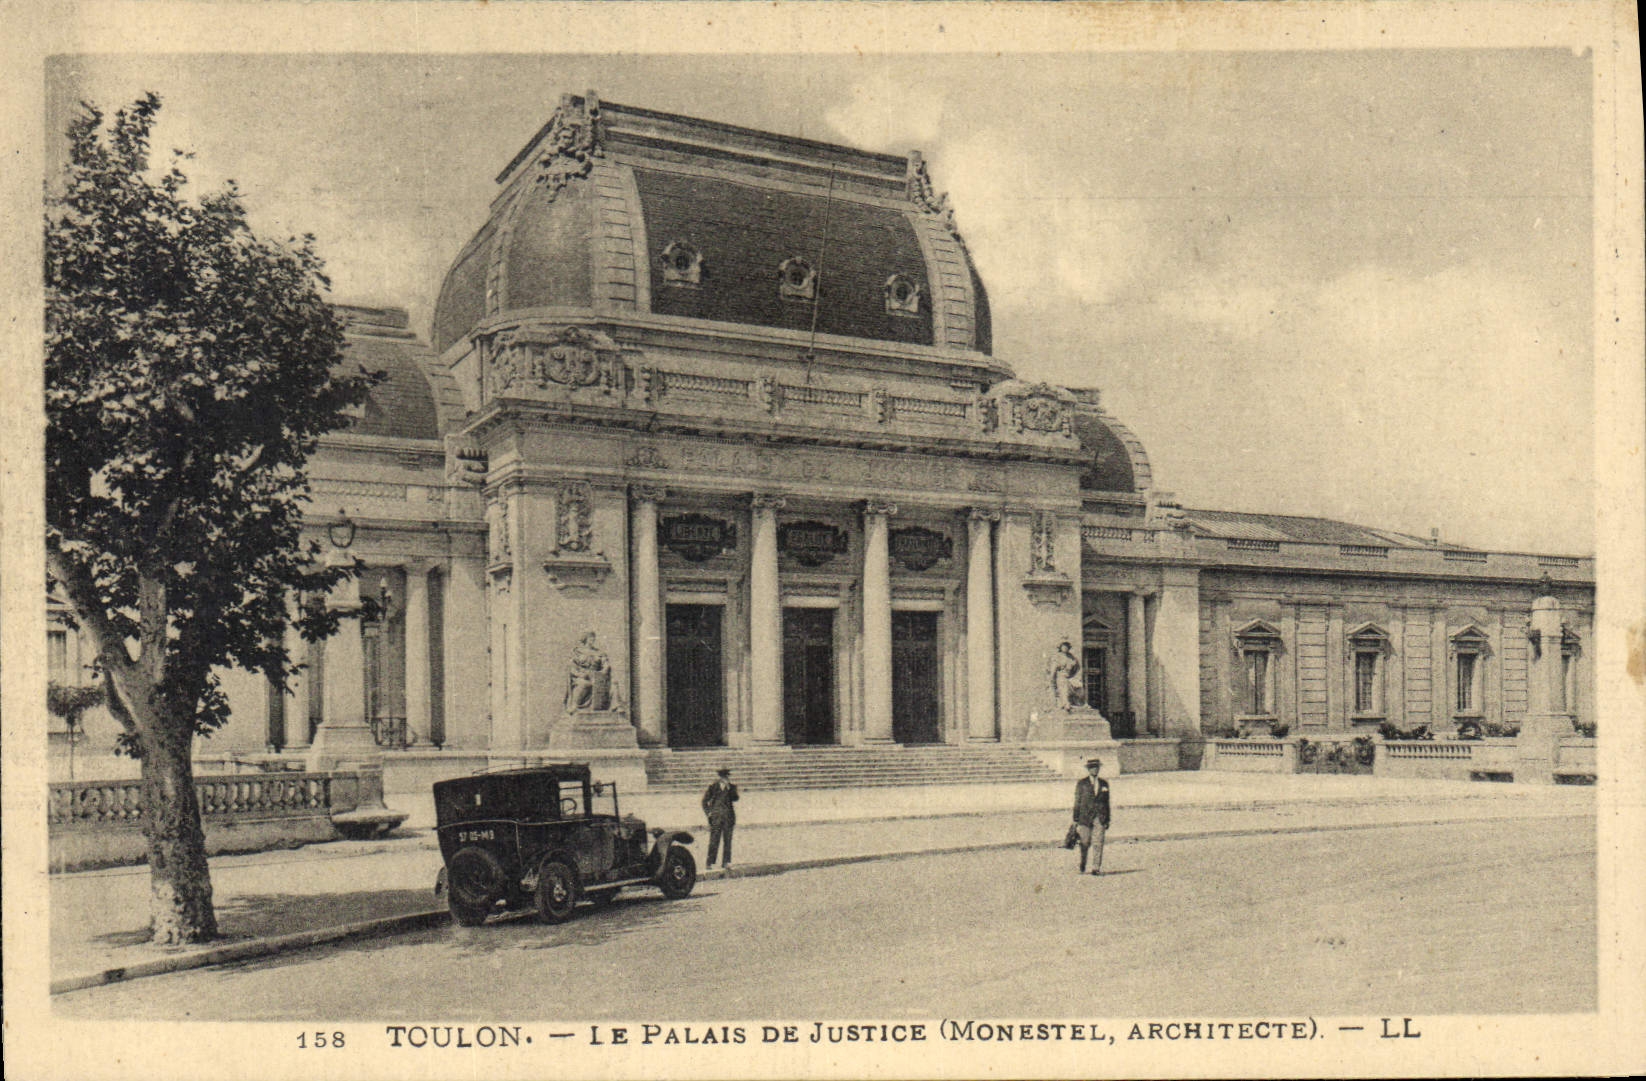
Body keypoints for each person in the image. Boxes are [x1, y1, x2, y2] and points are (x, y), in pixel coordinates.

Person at [1071, 757, 1111, 875]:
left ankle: (1096, 868)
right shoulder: (1082, 784)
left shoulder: (1104, 783)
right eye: (1092, 768)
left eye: (1096, 767)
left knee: (1098, 842)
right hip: (1085, 817)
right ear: (1088, 769)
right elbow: (1077, 802)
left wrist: (1107, 819)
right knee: (1085, 842)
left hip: (1100, 817)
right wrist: (1075, 819)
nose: (1095, 770)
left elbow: (1107, 802)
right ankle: (1082, 864)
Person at [702, 766, 739, 870]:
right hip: (716, 817)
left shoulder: (732, 787)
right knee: (714, 840)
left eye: (726, 776)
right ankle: (710, 862)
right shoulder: (713, 787)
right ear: (719, 777)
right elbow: (704, 801)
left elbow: (736, 798)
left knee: (728, 841)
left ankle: (726, 862)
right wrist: (709, 813)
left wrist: (729, 788)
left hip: (728, 817)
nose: (725, 778)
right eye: (723, 776)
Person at [1050, 641, 1085, 711]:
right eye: (1063, 646)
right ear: (1060, 647)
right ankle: (1066, 703)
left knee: (1079, 685)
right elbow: (1053, 670)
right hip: (1060, 677)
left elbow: (1077, 668)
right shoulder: (1057, 657)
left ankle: (1079, 702)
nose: (1065, 648)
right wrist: (1052, 679)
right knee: (1064, 684)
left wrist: (1073, 676)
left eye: (1067, 646)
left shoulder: (1072, 657)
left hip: (1070, 677)